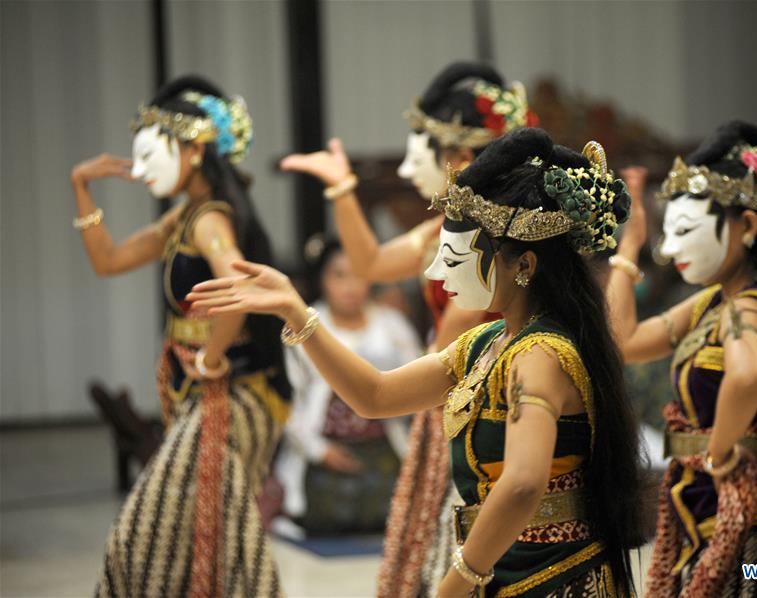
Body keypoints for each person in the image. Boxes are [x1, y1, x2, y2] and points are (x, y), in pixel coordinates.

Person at [187, 127, 644, 596]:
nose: (433, 271)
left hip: (554, 578)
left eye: (452, 257)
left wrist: (459, 581)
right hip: (504, 566)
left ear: (523, 265)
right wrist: (296, 311)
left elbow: (524, 485)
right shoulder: (485, 343)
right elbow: (376, 395)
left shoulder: (541, 356)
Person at [280, 62, 539, 596]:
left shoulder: (489, 255)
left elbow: (456, 330)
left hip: (472, 385)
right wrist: (342, 189)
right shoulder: (438, 230)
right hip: (449, 378)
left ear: (459, 159)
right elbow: (371, 263)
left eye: (416, 157)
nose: (405, 170)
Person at [71, 75, 289, 597]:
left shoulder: (209, 221)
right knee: (204, 532)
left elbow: (237, 292)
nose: (141, 171)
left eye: (151, 156)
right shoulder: (186, 216)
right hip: (203, 395)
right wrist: (81, 188)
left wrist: (211, 358)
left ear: (194, 151)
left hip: (233, 395)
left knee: (148, 529)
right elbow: (109, 260)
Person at [606, 120, 757, 596]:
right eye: (667, 233)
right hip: (706, 514)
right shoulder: (714, 301)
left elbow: (746, 377)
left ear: (747, 226)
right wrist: (629, 249)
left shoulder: (749, 309)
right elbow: (623, 340)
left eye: (684, 231)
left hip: (751, 524)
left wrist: (719, 452)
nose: (668, 251)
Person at [275, 239, 422, 536]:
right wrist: (319, 451)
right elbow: (285, 399)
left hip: (384, 450)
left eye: (358, 275)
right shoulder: (303, 324)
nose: (350, 286)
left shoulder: (392, 325)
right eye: (339, 275)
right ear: (323, 279)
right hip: (322, 454)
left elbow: (420, 381)